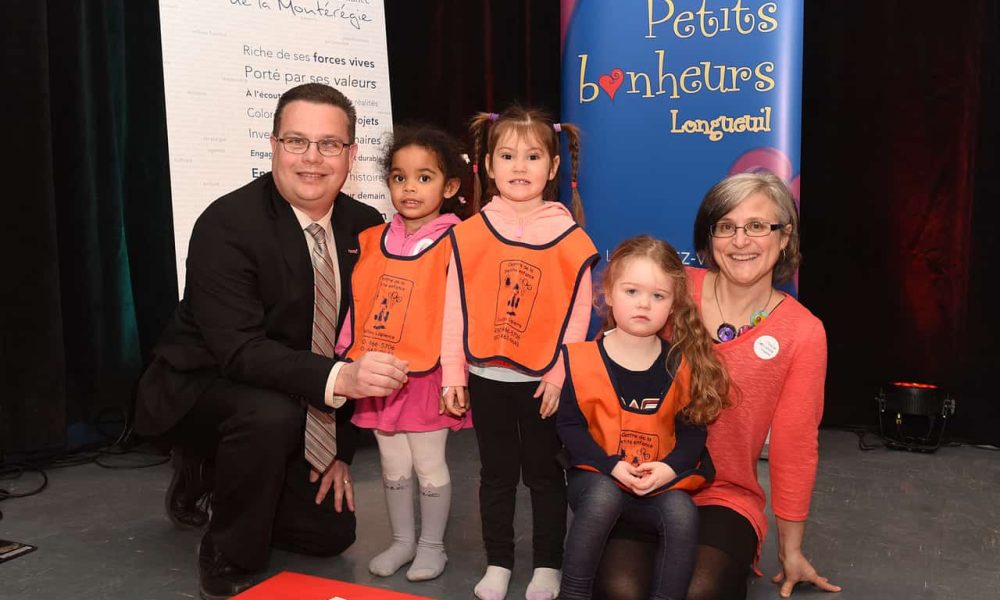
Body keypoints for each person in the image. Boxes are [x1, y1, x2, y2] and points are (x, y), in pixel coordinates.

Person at [134, 83, 408, 600]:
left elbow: (363, 340)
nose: (312, 158)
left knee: (328, 537)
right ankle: (225, 546)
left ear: (350, 155)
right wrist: (340, 380)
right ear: (274, 146)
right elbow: (238, 351)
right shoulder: (227, 224)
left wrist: (341, 449)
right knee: (268, 414)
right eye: (296, 141)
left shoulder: (367, 227)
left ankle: (228, 478)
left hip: (302, 394)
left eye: (329, 144)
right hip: (204, 387)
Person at [592, 172, 842, 599]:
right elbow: (606, 366)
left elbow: (794, 446)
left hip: (723, 496)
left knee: (699, 592)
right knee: (621, 590)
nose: (740, 240)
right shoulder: (671, 290)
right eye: (726, 226)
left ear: (785, 238)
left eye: (758, 226)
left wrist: (791, 550)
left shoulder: (803, 332)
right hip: (638, 479)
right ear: (710, 238)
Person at [440, 106, 598, 600]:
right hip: (486, 377)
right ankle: (499, 562)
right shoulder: (469, 234)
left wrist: (557, 374)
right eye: (507, 156)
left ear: (553, 167)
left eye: (532, 156)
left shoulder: (568, 237)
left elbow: (579, 312)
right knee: (496, 476)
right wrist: (453, 373)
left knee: (546, 477)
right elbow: (454, 307)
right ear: (488, 165)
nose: (519, 166)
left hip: (543, 385)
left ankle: (548, 564)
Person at [333, 124, 471, 582]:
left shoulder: (460, 243)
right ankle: (402, 542)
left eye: (424, 177)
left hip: (427, 375)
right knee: (392, 463)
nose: (410, 187)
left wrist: (457, 375)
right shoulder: (372, 239)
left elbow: (459, 315)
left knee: (429, 464)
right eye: (399, 177)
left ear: (450, 186)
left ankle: (433, 547)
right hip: (377, 374)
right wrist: (347, 354)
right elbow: (360, 298)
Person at [557, 235, 730, 600]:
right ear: (607, 292)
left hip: (656, 482)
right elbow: (569, 428)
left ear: (673, 304)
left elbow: (693, 435)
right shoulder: (580, 358)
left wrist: (668, 470)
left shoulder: (680, 365)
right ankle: (573, 594)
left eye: (658, 296)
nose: (643, 305)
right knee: (604, 497)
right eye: (632, 291)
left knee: (681, 512)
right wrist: (609, 465)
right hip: (598, 477)